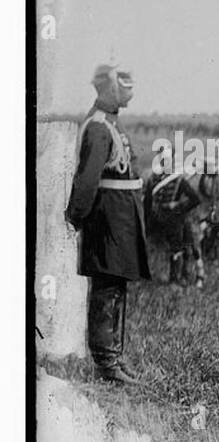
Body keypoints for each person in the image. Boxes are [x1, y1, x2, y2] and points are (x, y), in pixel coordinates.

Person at [65, 64, 152, 384]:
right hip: (107, 218)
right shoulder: (99, 126)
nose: (129, 89)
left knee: (116, 287)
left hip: (120, 217)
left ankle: (114, 357)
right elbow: (87, 181)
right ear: (107, 88)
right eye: (123, 83)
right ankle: (106, 364)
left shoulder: (111, 123)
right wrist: (76, 216)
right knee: (106, 289)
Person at [146, 169, 205, 287]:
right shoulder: (154, 179)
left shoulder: (178, 180)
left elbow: (195, 200)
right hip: (157, 217)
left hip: (174, 219)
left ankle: (175, 279)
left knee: (177, 248)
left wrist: (178, 207)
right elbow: (148, 202)